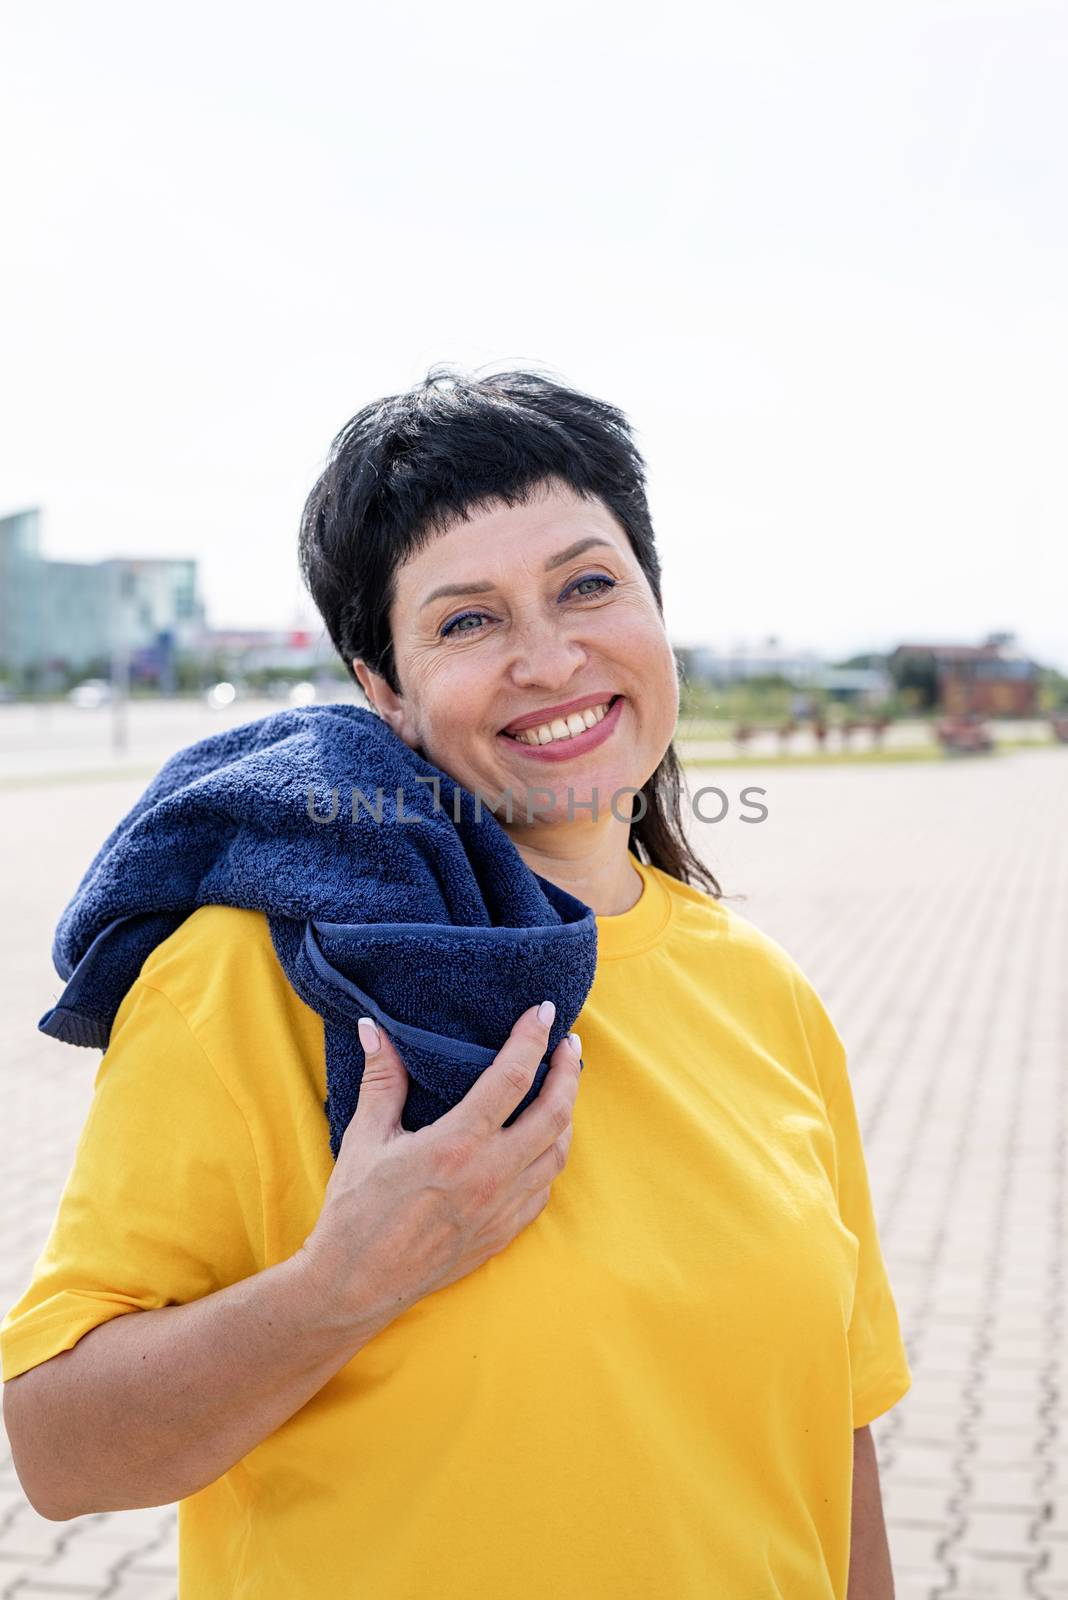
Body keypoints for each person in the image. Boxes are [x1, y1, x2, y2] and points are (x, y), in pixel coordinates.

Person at [2, 366, 911, 1599]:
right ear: (384, 690)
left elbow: (833, 1433)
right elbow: (59, 1451)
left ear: (656, 605)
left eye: (589, 584)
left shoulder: (763, 992)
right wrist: (342, 1288)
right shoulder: (266, 974)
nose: (550, 657)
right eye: (467, 620)